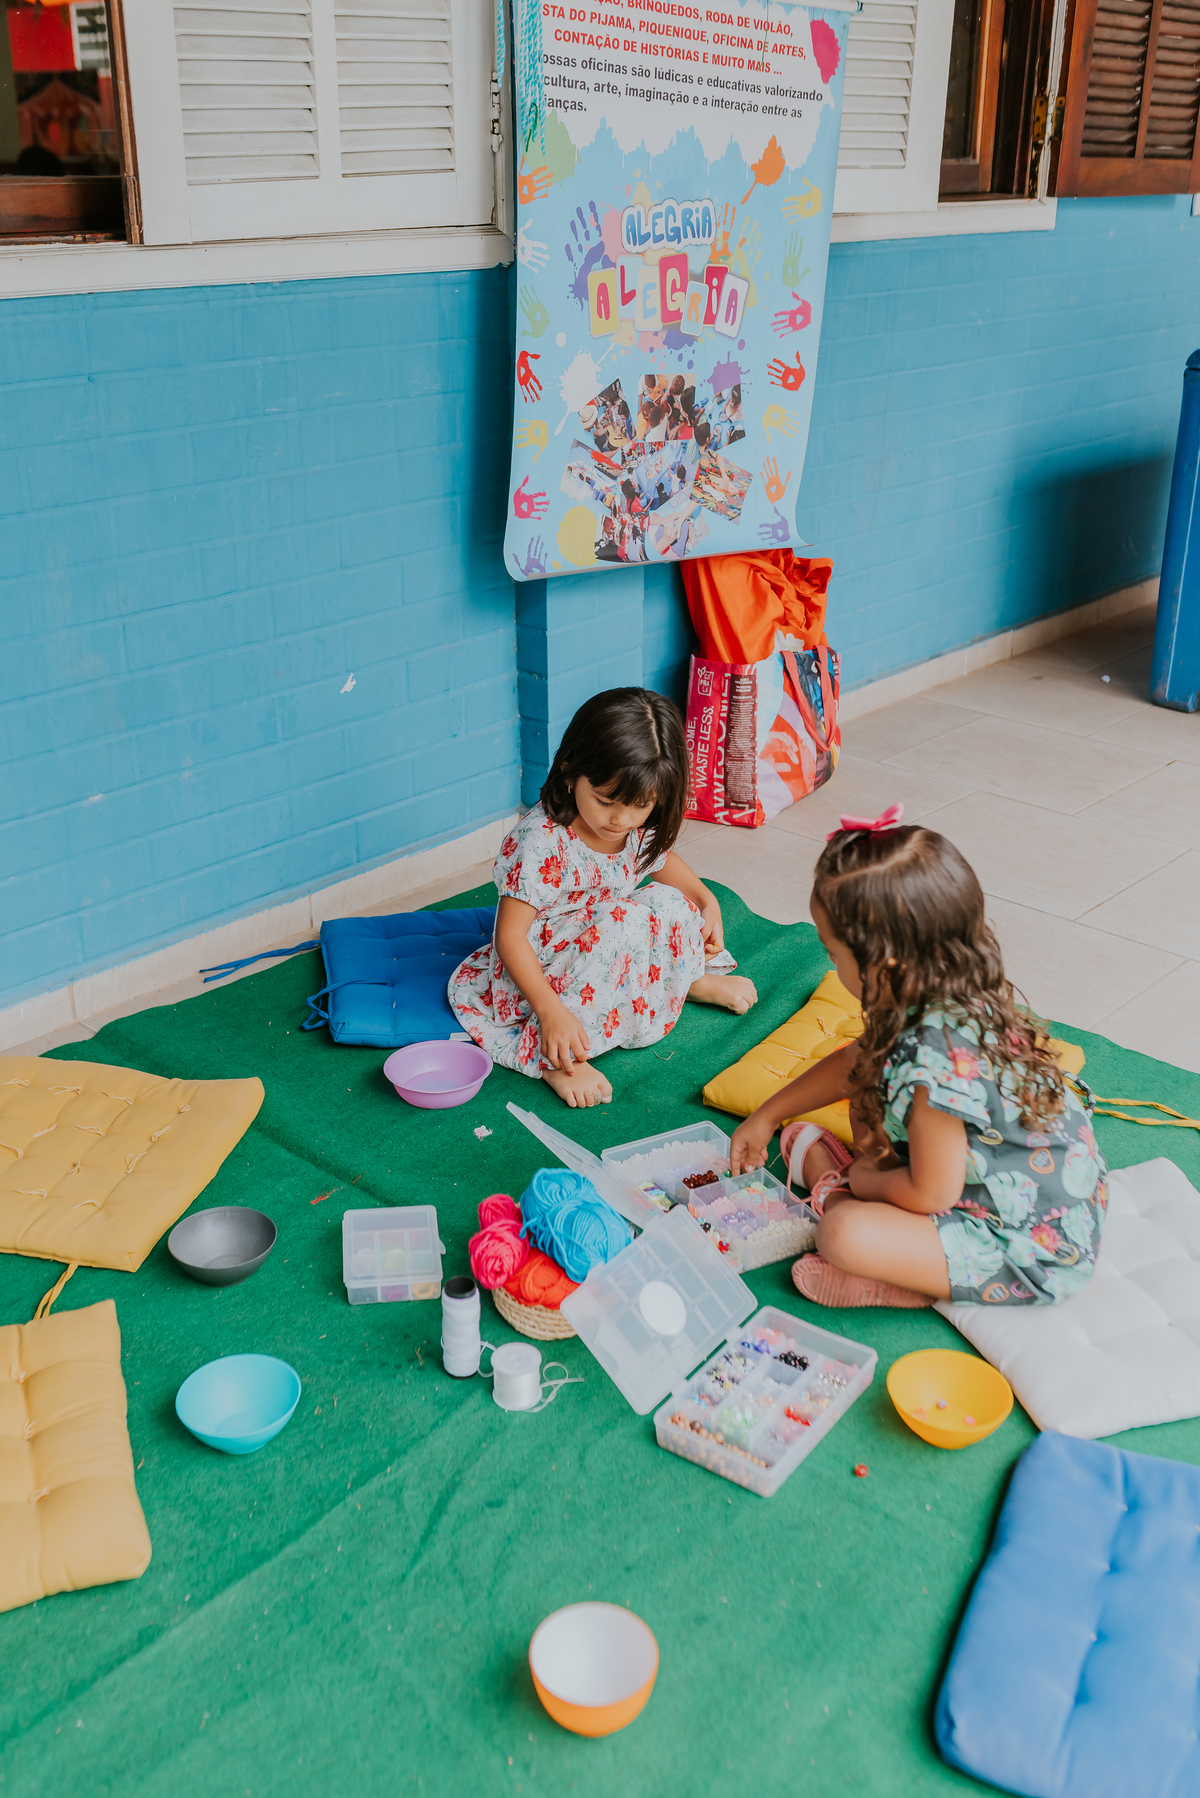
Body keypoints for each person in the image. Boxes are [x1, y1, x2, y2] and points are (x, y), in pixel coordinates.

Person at [730, 809, 1108, 1307]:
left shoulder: (938, 1063)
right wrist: (768, 1113)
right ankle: (852, 1189)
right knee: (861, 1096)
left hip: (1032, 1243)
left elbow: (932, 1195)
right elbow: (854, 1062)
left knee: (842, 1233)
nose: (828, 962)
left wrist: (865, 1181)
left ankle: (892, 1275)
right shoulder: (935, 989)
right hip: (999, 1180)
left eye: (832, 953)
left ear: (881, 965)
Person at [450, 689, 758, 1107]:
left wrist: (706, 899)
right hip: (544, 972)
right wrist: (550, 1012)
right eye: (606, 801)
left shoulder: (630, 824)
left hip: (608, 937)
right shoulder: (539, 840)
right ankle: (558, 1058)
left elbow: (659, 859)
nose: (621, 820)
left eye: (641, 807)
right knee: (622, 921)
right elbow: (510, 938)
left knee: (667, 901)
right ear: (570, 771)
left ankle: (685, 980)